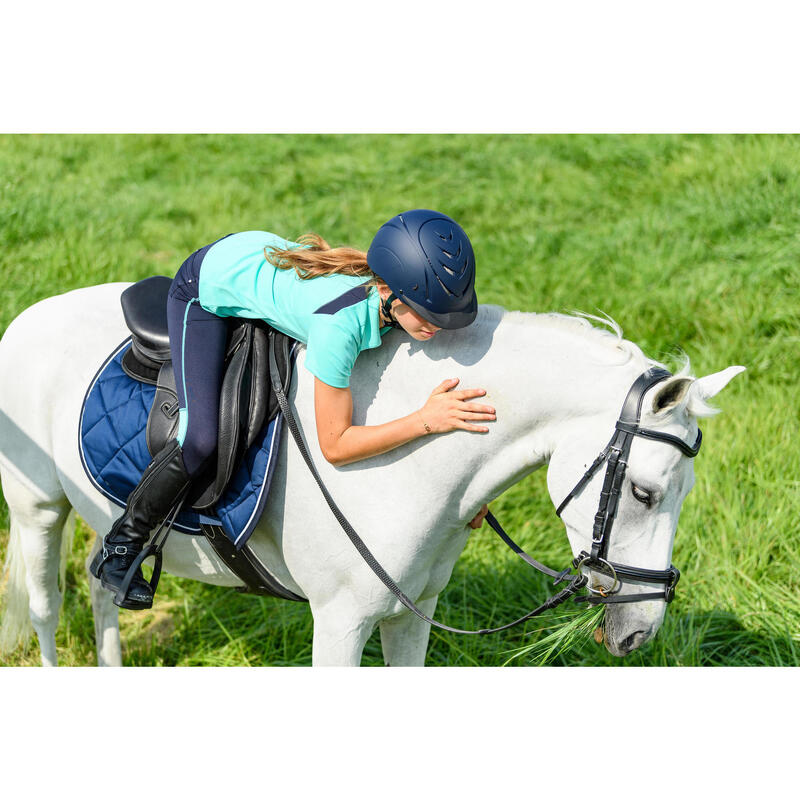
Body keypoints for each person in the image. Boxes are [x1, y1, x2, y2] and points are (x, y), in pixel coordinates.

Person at [90, 209, 495, 610]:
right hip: (203, 286)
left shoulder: (390, 297)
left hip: (249, 252)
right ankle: (122, 544)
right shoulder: (338, 327)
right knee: (199, 439)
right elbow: (335, 445)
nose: (438, 326)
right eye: (430, 314)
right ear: (391, 293)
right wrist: (426, 420)